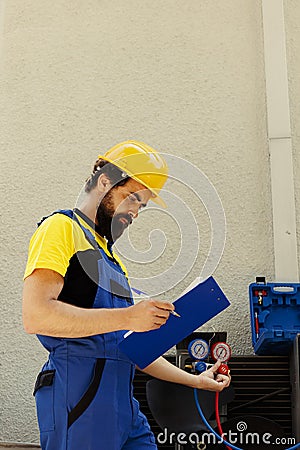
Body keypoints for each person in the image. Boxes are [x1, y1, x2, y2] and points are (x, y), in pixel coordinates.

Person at [22, 140, 231, 450]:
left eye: (141, 205)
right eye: (132, 198)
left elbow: (128, 349)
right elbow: (36, 316)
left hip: (123, 407)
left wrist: (196, 381)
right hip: (79, 400)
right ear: (104, 181)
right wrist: (129, 316)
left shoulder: (111, 260)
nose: (134, 212)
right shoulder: (60, 229)